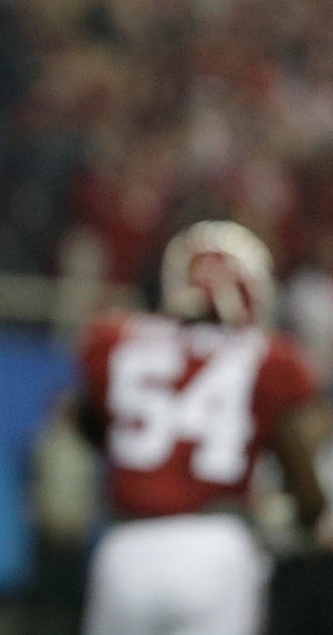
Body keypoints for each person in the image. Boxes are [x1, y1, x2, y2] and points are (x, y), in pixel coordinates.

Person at [76, 220, 333, 635]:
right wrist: (305, 518)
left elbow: (89, 423)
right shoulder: (265, 359)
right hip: (216, 547)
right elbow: (305, 488)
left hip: (124, 548)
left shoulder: (117, 338)